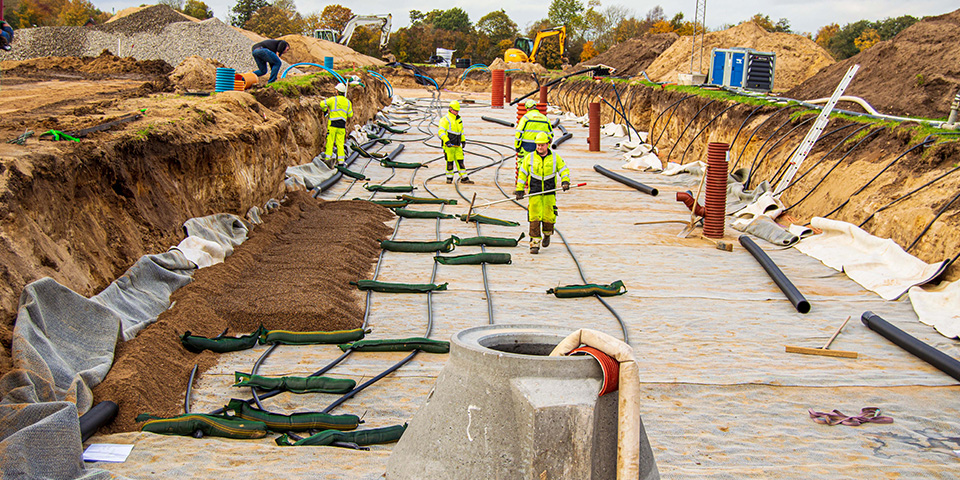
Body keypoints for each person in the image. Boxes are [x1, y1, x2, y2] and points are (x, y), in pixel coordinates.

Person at [515, 132, 570, 254]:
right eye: (538, 145)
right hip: (535, 193)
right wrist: (520, 189)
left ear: (548, 144)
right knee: (534, 217)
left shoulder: (555, 158)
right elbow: (522, 174)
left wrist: (565, 181)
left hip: (549, 193)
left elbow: (563, 169)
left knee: (549, 217)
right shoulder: (529, 158)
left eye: (542, 145)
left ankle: (547, 234)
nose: (540, 147)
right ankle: (534, 243)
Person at [438, 100, 473, 184]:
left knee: (460, 161)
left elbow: (461, 131)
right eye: (455, 111)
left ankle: (464, 178)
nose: (457, 112)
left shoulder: (459, 119)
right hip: (449, 145)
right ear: (450, 109)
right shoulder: (445, 119)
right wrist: (446, 141)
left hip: (457, 145)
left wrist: (463, 140)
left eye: (457, 111)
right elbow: (441, 132)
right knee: (450, 162)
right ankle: (449, 178)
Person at [320, 83, 353, 167]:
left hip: (332, 125)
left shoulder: (333, 100)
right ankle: (341, 161)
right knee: (340, 143)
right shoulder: (348, 102)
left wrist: (325, 111)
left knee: (330, 142)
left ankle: (327, 159)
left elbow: (322, 104)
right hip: (342, 126)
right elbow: (350, 115)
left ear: (337, 91)